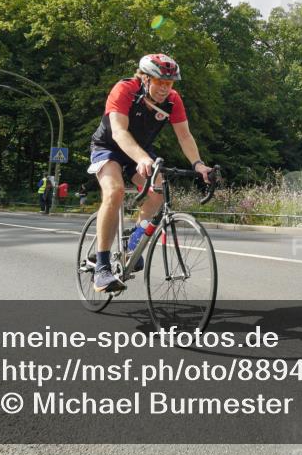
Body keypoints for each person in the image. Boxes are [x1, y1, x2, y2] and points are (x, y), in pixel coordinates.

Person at [87, 53, 213, 293]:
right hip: (109, 148)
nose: (165, 88)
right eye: (160, 82)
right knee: (115, 191)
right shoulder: (124, 89)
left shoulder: (173, 101)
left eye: (169, 83)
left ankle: (132, 245)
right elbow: (119, 132)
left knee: (158, 193)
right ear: (145, 78)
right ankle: (102, 267)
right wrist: (142, 158)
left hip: (141, 151)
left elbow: (184, 136)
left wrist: (198, 163)